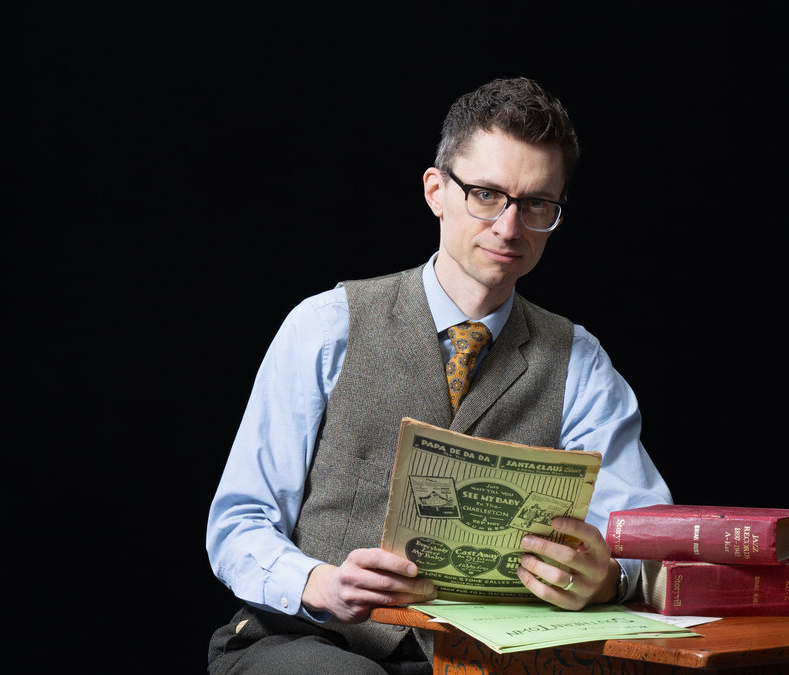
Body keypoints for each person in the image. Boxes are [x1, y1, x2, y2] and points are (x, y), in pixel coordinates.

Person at [205, 76, 672, 674]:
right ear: (436, 191)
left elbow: (642, 536)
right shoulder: (325, 326)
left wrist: (610, 579)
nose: (509, 227)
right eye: (485, 194)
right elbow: (238, 524)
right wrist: (319, 583)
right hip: (308, 642)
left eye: (536, 204)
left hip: (478, 657)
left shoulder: (579, 362)